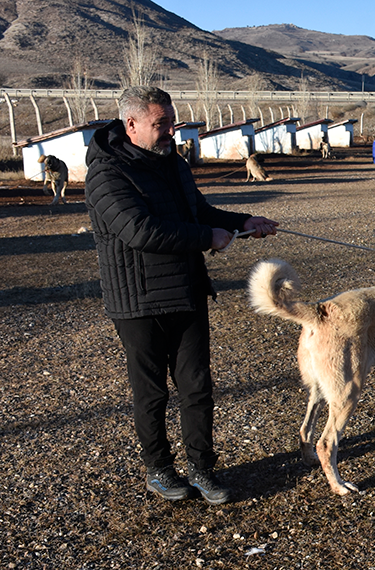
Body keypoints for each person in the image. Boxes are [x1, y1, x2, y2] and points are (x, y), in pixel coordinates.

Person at [85, 86, 279, 505]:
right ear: (131, 124)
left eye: (172, 122)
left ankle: (202, 468)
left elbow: (199, 212)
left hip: (186, 290)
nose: (171, 131)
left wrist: (244, 221)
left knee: (197, 387)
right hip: (138, 301)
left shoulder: (172, 161)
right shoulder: (105, 173)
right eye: (162, 124)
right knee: (151, 392)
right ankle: (158, 468)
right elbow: (139, 231)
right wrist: (206, 237)